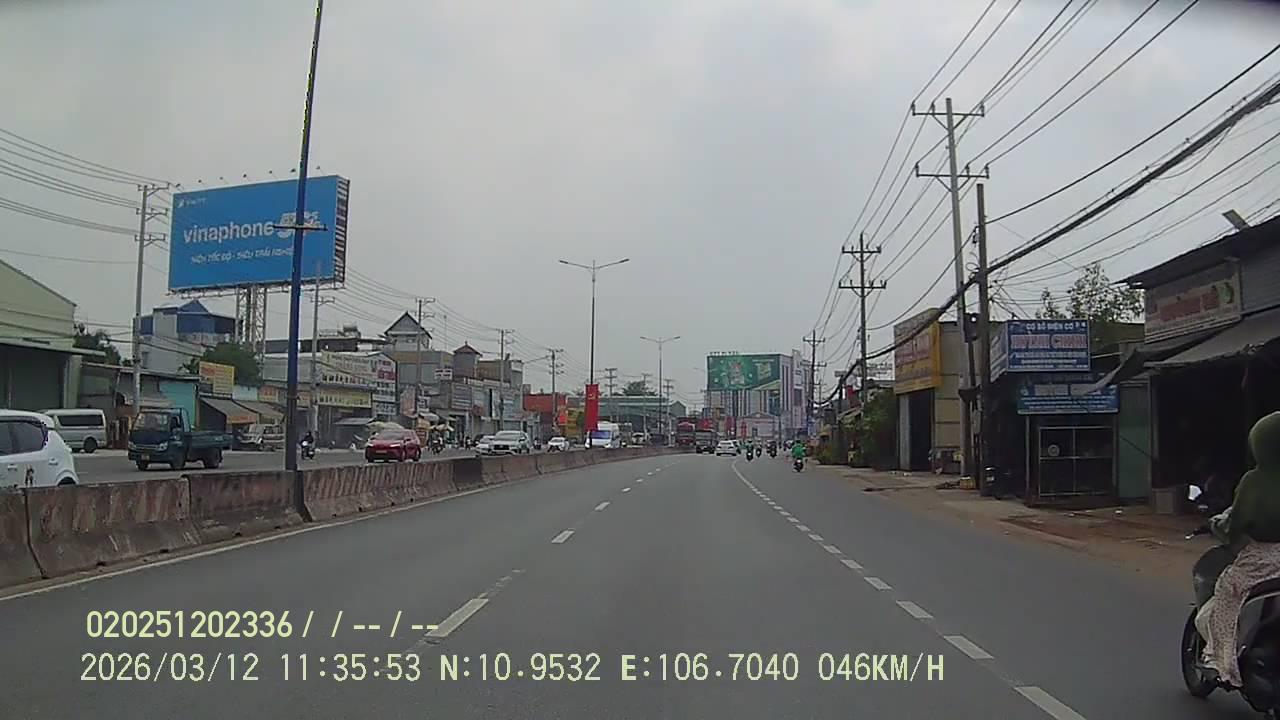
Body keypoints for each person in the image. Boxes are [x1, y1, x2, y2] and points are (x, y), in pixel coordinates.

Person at [1196, 411, 1280, 688]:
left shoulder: (1255, 481)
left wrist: (1219, 528)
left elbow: (1236, 523)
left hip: (1263, 558)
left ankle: (1221, 662)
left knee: (1228, 591)